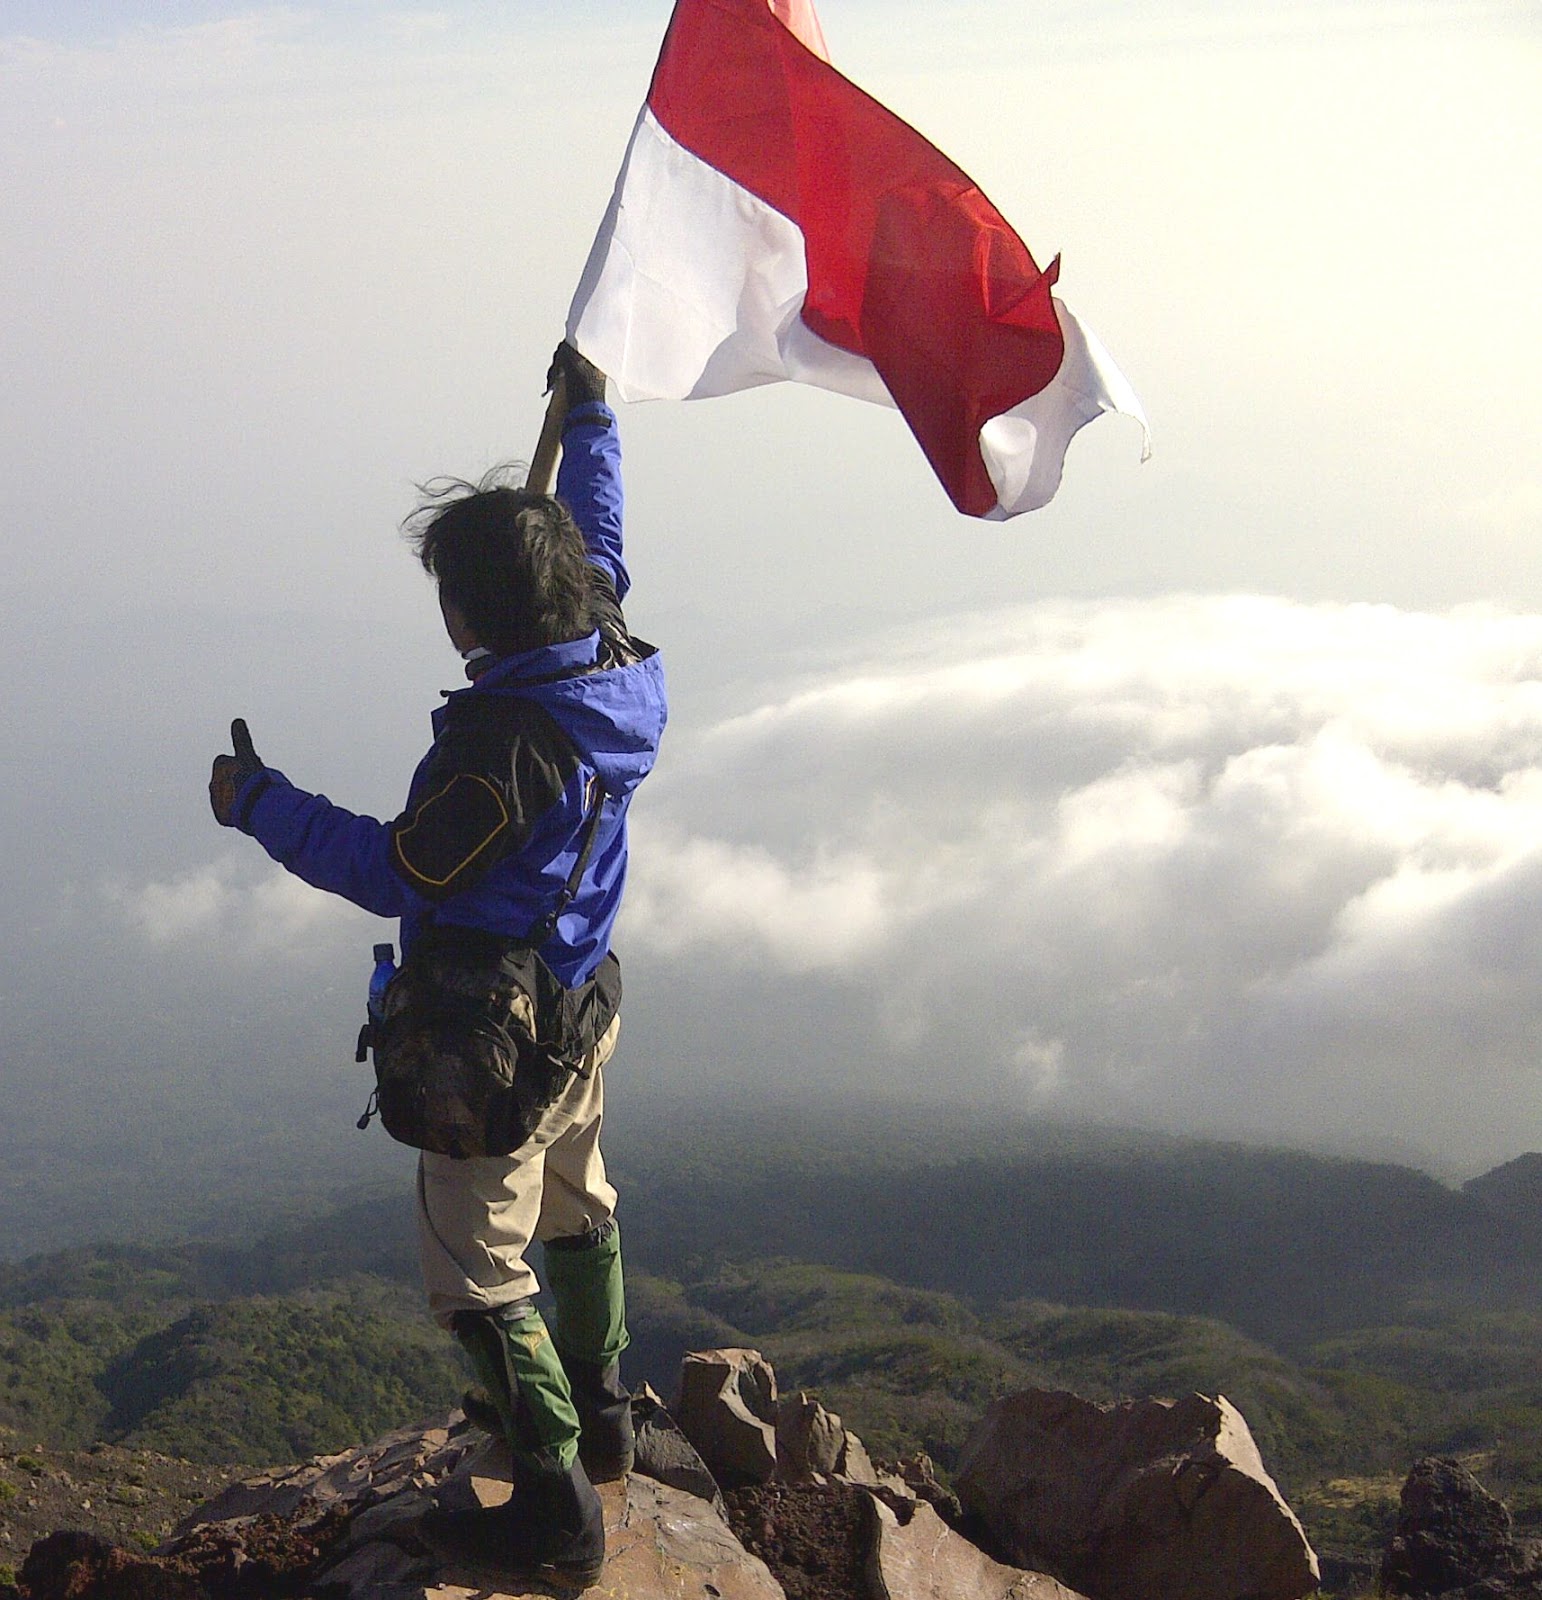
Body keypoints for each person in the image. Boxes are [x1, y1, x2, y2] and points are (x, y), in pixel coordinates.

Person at [208, 343, 666, 1589]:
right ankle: (608, 1408)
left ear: (474, 618)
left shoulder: (501, 753)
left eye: (451, 601)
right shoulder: (608, 657)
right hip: (580, 1008)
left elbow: (399, 867)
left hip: (497, 1046)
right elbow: (596, 537)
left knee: (474, 1275)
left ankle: (557, 1509)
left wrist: (258, 802)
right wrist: (593, 421)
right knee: (579, 1201)